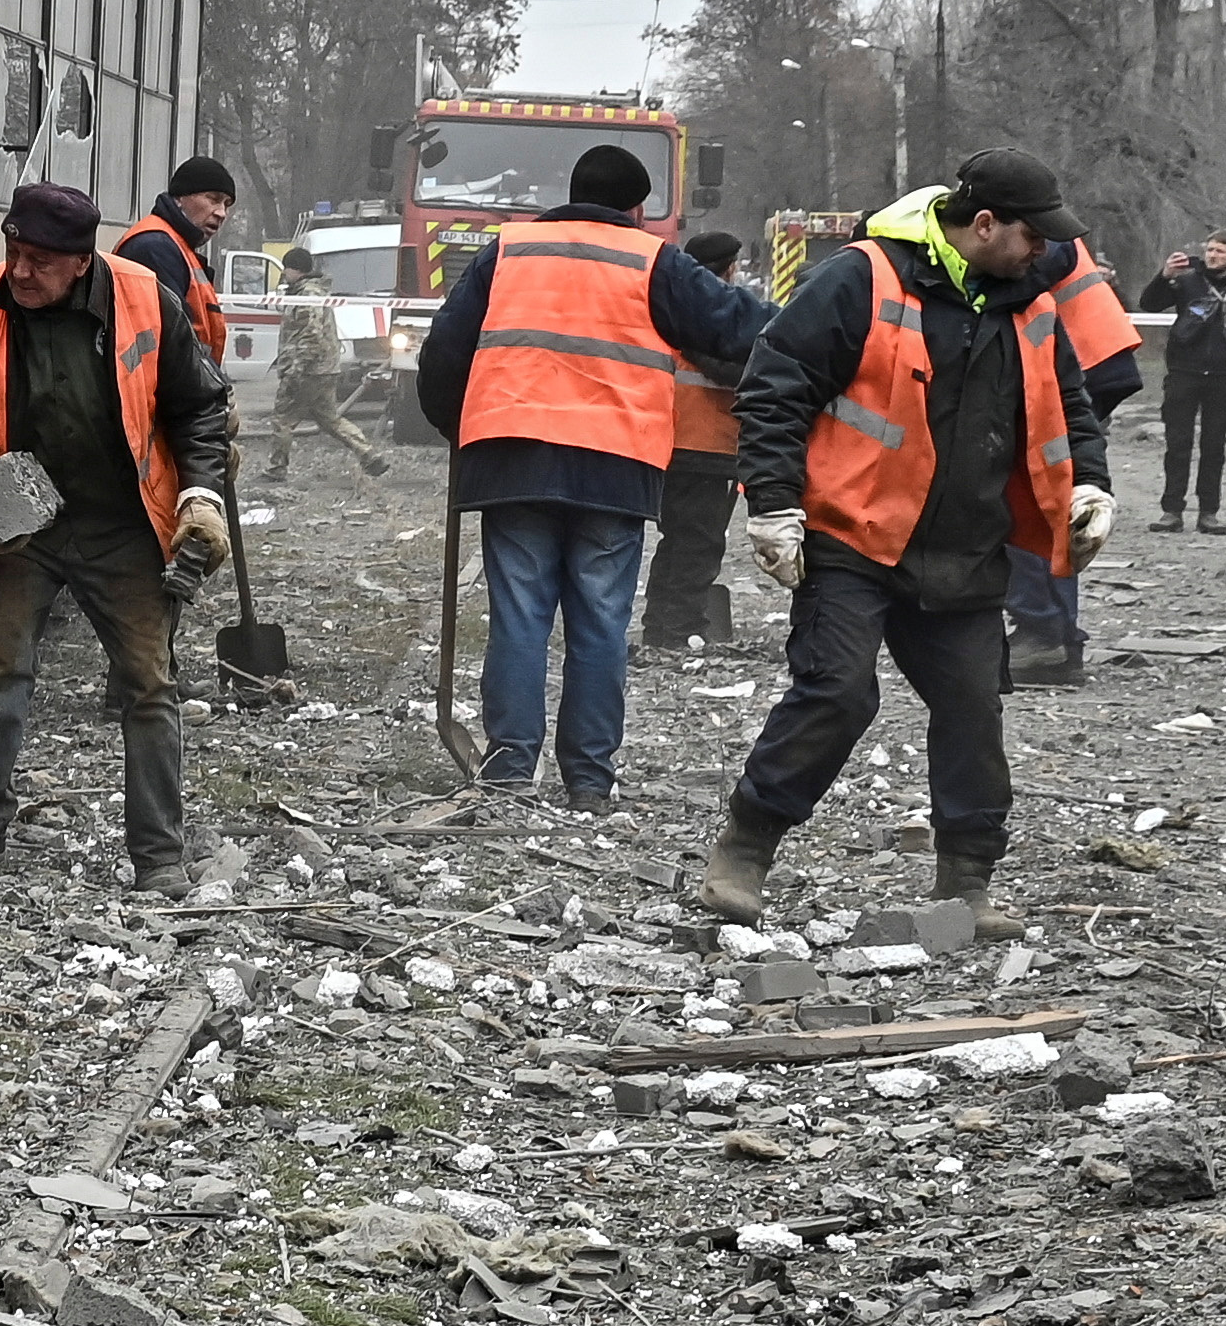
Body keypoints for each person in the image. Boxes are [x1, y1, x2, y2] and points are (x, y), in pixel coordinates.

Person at [690, 150, 1108, 927]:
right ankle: (744, 850)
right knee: (837, 691)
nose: (1043, 251)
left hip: (964, 550)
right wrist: (773, 503)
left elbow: (1068, 406)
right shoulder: (862, 277)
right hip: (852, 538)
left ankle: (965, 884)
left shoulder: (1031, 304)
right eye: (1032, 235)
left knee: (971, 711)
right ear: (984, 224)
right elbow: (775, 385)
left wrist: (1089, 483)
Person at [406, 138, 755, 806]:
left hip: (513, 459)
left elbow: (444, 352)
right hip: (614, 467)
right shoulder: (654, 261)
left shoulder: (507, 252)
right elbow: (740, 327)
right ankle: (589, 781)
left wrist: (464, 431)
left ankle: (509, 768)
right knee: (599, 622)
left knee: (519, 616)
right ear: (636, 208)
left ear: (571, 195)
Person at [0, 179, 234, 885]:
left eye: (39, 261)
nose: (18, 272)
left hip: (123, 523)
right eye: (12, 251)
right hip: (22, 526)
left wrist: (200, 495)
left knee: (148, 682)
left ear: (80, 261)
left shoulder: (145, 299)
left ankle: (157, 854)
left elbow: (200, 408)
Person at [1002, 218, 1143, 688]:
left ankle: (1044, 632)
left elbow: (1049, 259)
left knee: (1033, 500)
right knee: (1054, 503)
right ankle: (1056, 637)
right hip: (1090, 363)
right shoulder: (1035, 225)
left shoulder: (1033, 233)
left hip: (1078, 367)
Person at [642, 230, 768, 649]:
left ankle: (661, 626)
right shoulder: (719, 321)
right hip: (709, 445)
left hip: (669, 443)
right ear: (729, 270)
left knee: (677, 538)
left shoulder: (671, 311)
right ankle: (680, 629)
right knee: (699, 543)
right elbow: (739, 371)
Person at [1138, 234, 1226, 532]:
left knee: (1214, 446)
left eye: (1220, 251)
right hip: (1183, 373)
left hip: (1222, 377)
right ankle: (1172, 510)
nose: (1213, 255)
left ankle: (1208, 512)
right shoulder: (1187, 282)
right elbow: (1149, 304)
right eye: (1209, 249)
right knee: (1178, 444)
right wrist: (1164, 276)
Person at [115, 154, 234, 339]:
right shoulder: (154, 247)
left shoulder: (173, 246)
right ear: (180, 198)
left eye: (227, 204)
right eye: (213, 199)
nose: (222, 213)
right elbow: (175, 340)